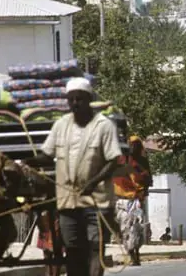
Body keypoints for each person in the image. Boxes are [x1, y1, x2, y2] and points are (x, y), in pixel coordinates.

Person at [23, 77, 122, 276]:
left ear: (89, 99)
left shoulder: (104, 125)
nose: (75, 103)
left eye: (80, 99)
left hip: (97, 201)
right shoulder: (61, 125)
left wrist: (93, 183)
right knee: (73, 250)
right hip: (67, 202)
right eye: (72, 99)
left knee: (95, 247)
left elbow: (113, 160)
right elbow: (46, 155)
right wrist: (25, 162)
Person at [112, 135, 152, 266]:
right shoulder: (120, 161)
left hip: (136, 201)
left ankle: (136, 254)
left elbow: (147, 180)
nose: (133, 147)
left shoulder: (142, 162)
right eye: (131, 145)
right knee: (124, 229)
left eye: (136, 145)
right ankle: (131, 254)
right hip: (121, 201)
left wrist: (142, 194)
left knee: (136, 229)